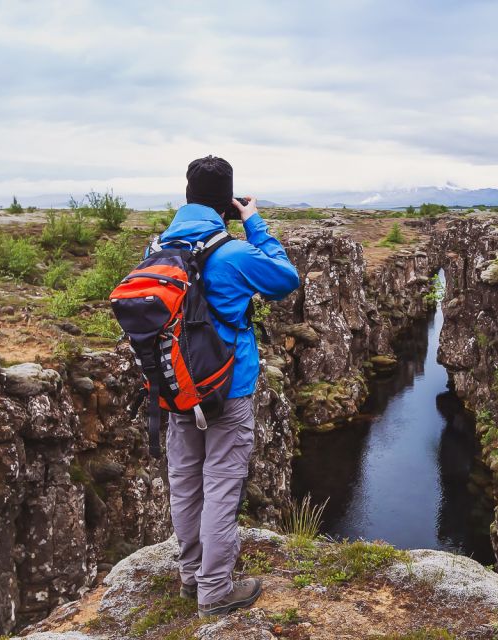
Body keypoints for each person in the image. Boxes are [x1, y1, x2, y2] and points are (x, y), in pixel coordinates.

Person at [159, 156, 300, 617]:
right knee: (221, 483)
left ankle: (190, 576)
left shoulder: (157, 251)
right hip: (227, 389)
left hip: (176, 388)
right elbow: (286, 280)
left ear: (186, 196)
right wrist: (254, 221)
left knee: (185, 482)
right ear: (227, 201)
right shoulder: (234, 254)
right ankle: (215, 591)